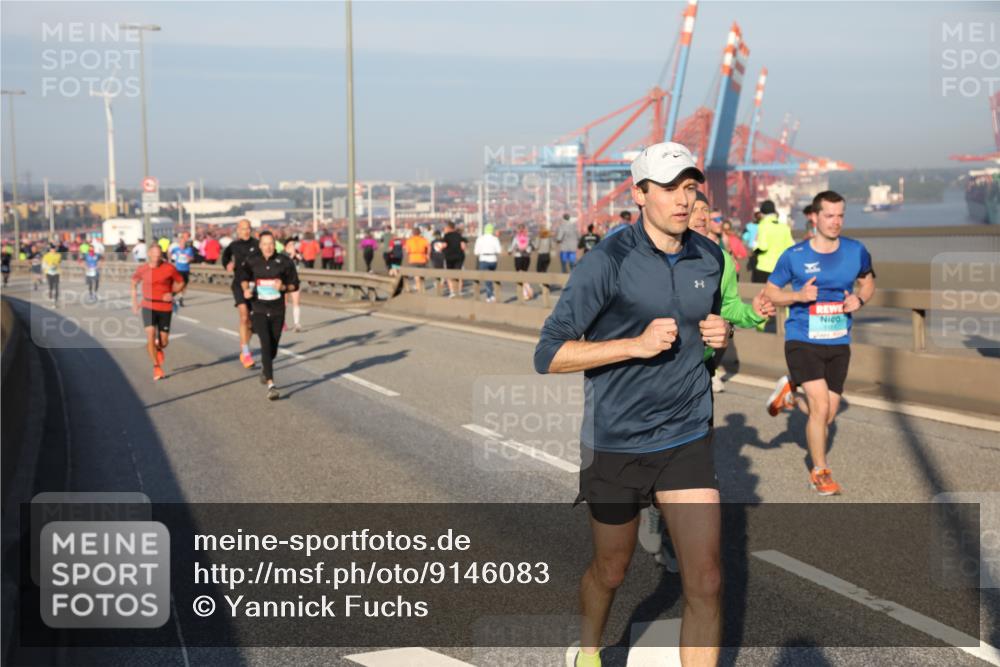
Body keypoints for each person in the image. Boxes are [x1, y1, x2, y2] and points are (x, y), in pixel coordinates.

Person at [534, 142, 729, 667]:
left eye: (689, 188)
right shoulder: (607, 262)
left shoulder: (710, 256)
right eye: (669, 188)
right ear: (641, 194)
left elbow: (706, 328)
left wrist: (721, 334)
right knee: (611, 570)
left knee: (707, 580)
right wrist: (632, 345)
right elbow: (548, 353)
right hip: (616, 440)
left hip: (686, 434)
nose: (683, 200)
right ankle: (591, 650)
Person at [764, 190, 876, 496]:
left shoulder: (855, 251)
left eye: (840, 215)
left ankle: (789, 396)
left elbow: (867, 281)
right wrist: (798, 296)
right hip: (802, 338)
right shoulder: (795, 256)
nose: (836, 221)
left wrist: (860, 298)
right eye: (829, 215)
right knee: (821, 405)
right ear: (814, 217)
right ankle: (820, 471)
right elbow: (771, 292)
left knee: (825, 414)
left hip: (839, 340)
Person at [238, 231, 300, 400]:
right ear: (260, 245)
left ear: (275, 244)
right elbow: (242, 276)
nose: (268, 247)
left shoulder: (285, 262)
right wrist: (245, 289)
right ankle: (271, 385)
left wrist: (283, 288)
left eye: (271, 243)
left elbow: (295, 284)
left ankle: (266, 368)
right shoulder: (252, 260)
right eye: (265, 244)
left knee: (272, 348)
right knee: (265, 344)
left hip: (278, 311)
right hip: (258, 309)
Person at [130, 245, 184, 381]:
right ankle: (156, 367)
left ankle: (159, 348)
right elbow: (133, 282)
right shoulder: (142, 269)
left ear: (161, 255)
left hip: (165, 307)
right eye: (153, 254)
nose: (156, 257)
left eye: (158, 255)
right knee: (150, 334)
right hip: (148, 304)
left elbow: (181, 282)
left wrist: (172, 293)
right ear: (148, 254)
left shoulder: (169, 268)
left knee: (164, 341)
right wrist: (135, 302)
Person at [221, 219, 261, 369]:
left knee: (251, 324)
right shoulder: (234, 245)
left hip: (255, 285)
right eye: (243, 228)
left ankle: (245, 346)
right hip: (239, 284)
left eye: (248, 228)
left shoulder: (257, 244)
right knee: (244, 317)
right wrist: (228, 264)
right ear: (238, 230)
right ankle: (245, 353)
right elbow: (225, 258)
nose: (246, 231)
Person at [751, 200, 793, 283]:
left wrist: (754, 245)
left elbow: (763, 247)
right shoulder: (784, 227)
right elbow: (790, 247)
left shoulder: (763, 225)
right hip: (781, 269)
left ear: (762, 213)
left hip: (764, 268)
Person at [473, 223, 501, 302]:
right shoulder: (495, 239)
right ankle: (491, 295)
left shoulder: (480, 239)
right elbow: (499, 251)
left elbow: (476, 252)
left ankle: (490, 296)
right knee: (491, 277)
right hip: (493, 259)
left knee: (487, 278)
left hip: (483, 259)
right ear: (492, 230)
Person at [509, 223, 534, 300]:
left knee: (519, 275)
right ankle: (526, 289)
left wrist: (509, 251)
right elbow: (532, 247)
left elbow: (512, 246)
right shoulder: (528, 237)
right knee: (524, 273)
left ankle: (525, 292)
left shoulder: (516, 237)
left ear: (518, 229)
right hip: (526, 257)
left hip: (518, 256)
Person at [442, 221, 466, 298]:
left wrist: (440, 248)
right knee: (458, 274)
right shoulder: (459, 235)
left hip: (449, 257)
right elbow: (463, 246)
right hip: (459, 257)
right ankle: (459, 291)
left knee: (450, 275)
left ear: (448, 228)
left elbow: (444, 245)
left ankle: (452, 292)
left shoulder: (446, 236)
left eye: (445, 228)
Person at [170, 239, 195, 308]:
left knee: (184, 286)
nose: (183, 245)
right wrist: (171, 260)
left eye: (184, 243)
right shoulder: (176, 249)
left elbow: (192, 258)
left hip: (186, 270)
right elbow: (169, 252)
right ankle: (175, 297)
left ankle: (179, 298)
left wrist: (189, 259)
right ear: (179, 243)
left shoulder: (189, 249)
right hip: (178, 270)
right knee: (179, 284)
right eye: (181, 243)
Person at [404, 227, 430, 292]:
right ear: (420, 233)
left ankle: (418, 288)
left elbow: (407, 251)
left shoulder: (409, 240)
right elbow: (429, 247)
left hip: (413, 259)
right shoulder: (423, 239)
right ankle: (422, 287)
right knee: (422, 274)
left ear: (412, 233)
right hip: (422, 258)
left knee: (416, 275)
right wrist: (428, 255)